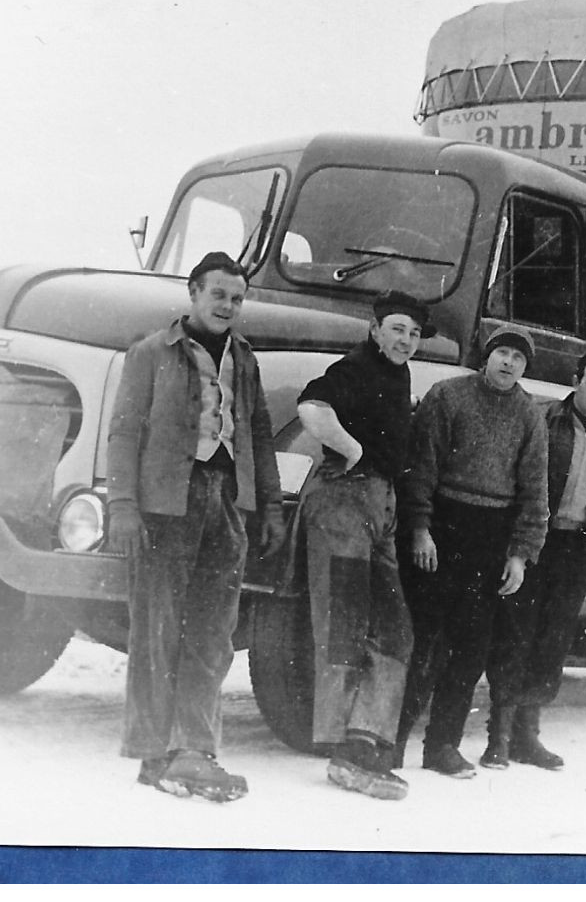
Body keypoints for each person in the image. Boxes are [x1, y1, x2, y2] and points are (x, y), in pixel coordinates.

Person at [106, 250, 285, 802]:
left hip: (225, 503)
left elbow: (257, 436)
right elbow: (123, 434)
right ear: (193, 293)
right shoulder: (150, 353)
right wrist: (123, 507)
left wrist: (271, 509)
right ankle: (154, 754)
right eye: (218, 295)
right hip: (164, 507)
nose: (228, 306)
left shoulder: (245, 361)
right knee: (157, 632)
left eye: (237, 298)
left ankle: (194, 752)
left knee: (212, 635)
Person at [295, 291, 432, 801]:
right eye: (397, 329)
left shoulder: (396, 375)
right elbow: (311, 404)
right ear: (375, 331)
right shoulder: (355, 365)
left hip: (379, 507)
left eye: (414, 333)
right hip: (343, 503)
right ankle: (346, 750)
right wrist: (350, 448)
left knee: (394, 629)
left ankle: (366, 738)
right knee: (347, 626)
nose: (406, 340)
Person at [395, 324, 549, 779]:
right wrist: (420, 530)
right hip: (443, 527)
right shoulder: (447, 397)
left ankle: (442, 746)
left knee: (471, 647)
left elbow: (534, 490)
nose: (508, 363)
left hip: (491, 536)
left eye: (518, 359)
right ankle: (391, 740)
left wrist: (520, 554)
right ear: (486, 357)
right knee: (422, 642)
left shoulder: (529, 415)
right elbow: (421, 470)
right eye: (502, 353)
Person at [482, 351, 586, 771]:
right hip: (535, 542)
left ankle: (526, 736)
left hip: (577, 551)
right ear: (575, 381)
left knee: (551, 643)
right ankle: (498, 736)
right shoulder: (543, 420)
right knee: (515, 635)